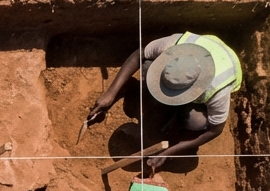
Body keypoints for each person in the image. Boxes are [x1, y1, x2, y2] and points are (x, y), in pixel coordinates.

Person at [86, 31, 242, 170]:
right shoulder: (173, 44)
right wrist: (110, 94)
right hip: (203, 50)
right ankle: (133, 88)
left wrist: (169, 151)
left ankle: (176, 127)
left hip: (216, 75)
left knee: (196, 122)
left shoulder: (217, 88)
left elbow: (215, 130)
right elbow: (139, 54)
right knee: (148, 66)